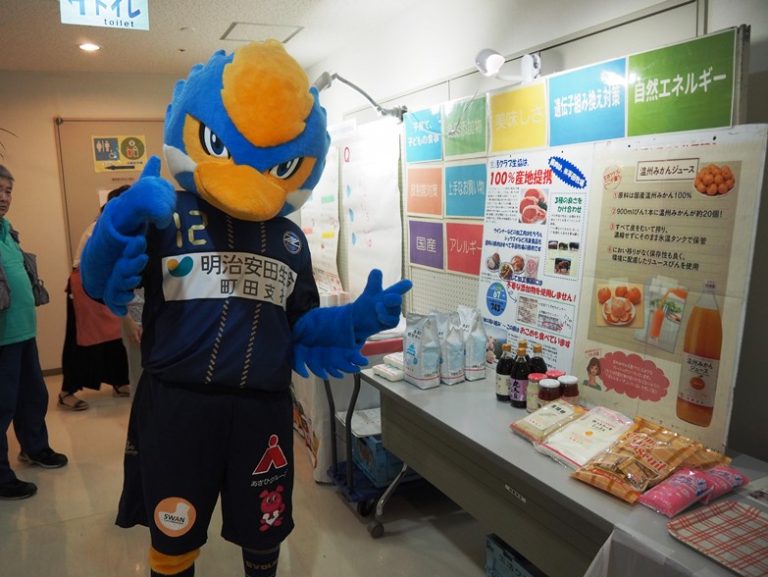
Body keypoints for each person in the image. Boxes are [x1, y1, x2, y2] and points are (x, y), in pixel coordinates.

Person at [79, 41, 411, 577]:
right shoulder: (166, 217)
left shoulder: (290, 239)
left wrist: (356, 320)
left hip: (262, 412)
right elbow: (99, 284)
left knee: (264, 531)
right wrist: (120, 219)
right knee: (174, 532)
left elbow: (299, 325)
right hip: (177, 406)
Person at [0, 164, 68, 500]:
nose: (4, 197)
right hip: (2, 338)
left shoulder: (7, 231)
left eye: (8, 191)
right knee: (2, 405)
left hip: (23, 331)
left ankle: (35, 447)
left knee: (33, 395)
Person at [58, 185, 131, 411]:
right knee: (81, 340)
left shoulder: (120, 225)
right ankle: (66, 392)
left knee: (115, 338)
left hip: (105, 284)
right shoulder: (100, 227)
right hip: (85, 286)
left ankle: (119, 381)